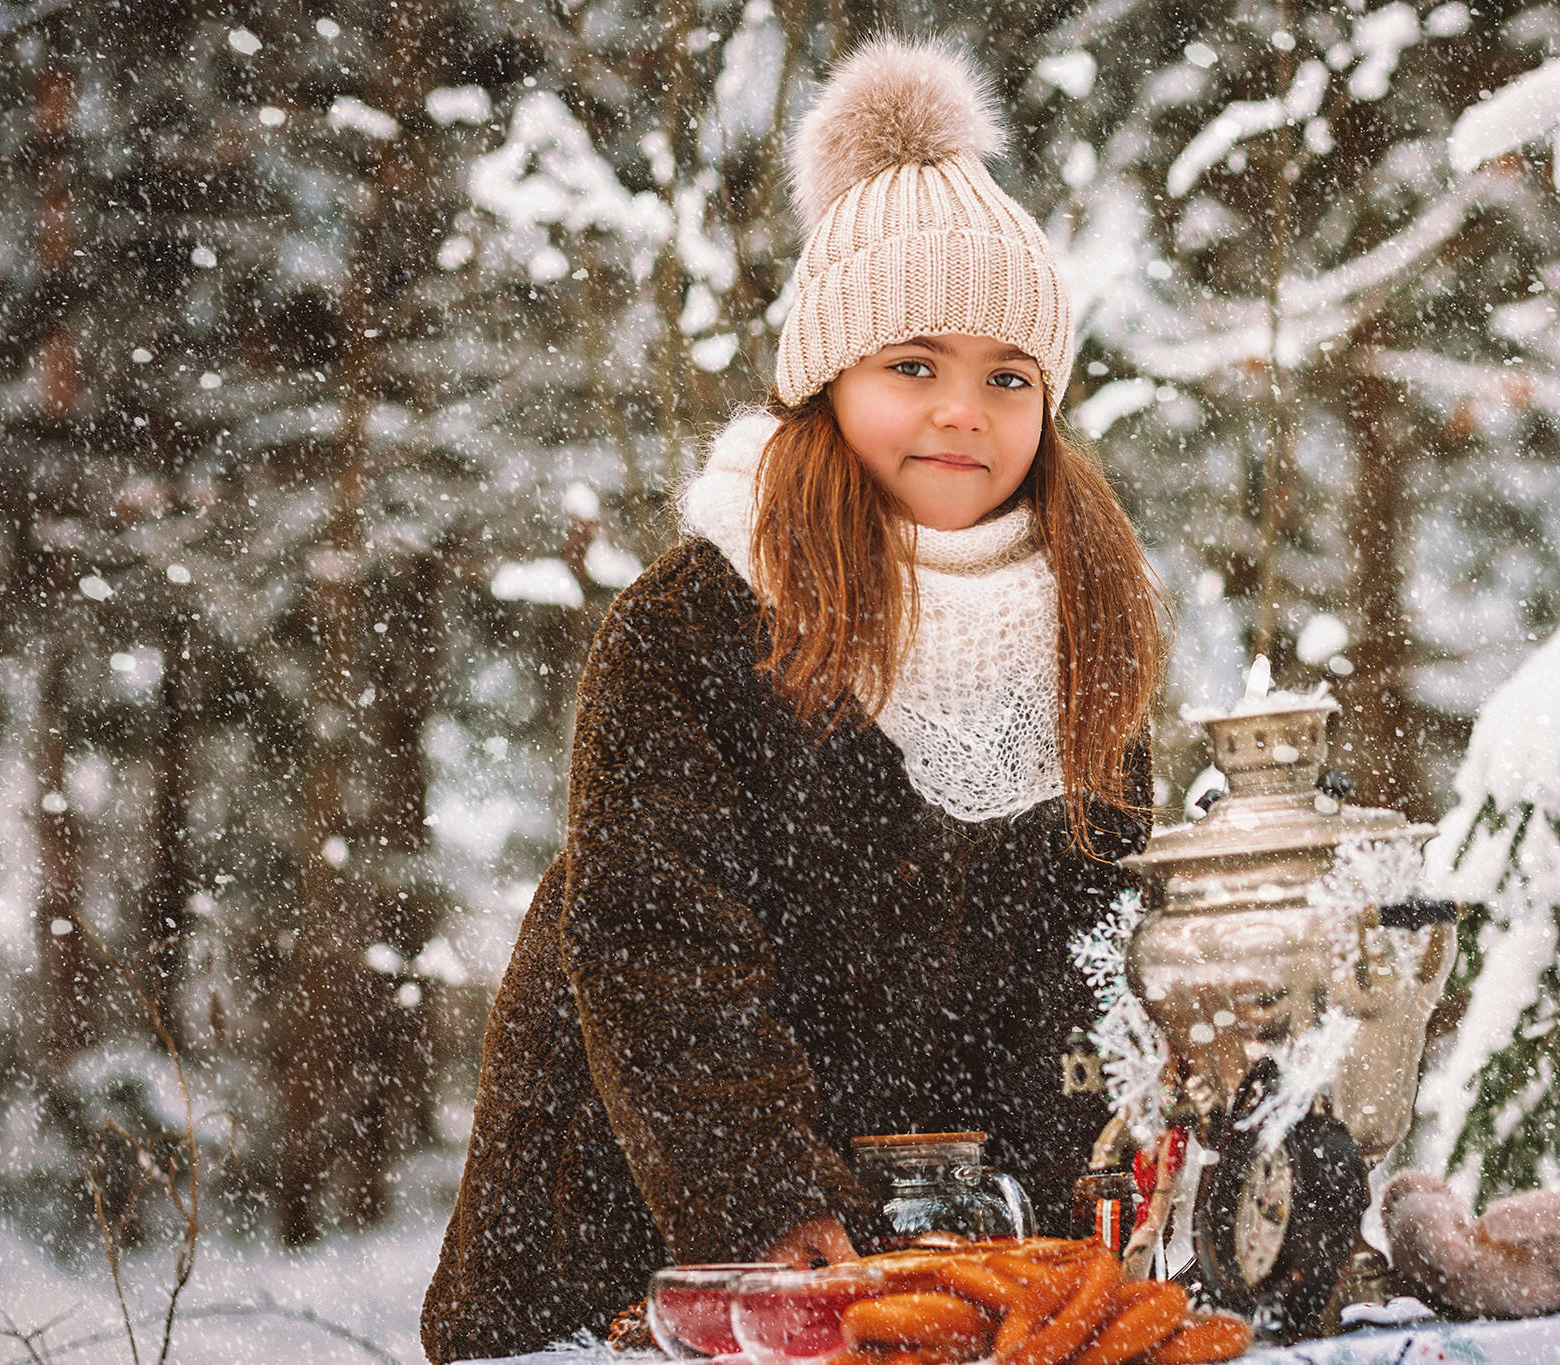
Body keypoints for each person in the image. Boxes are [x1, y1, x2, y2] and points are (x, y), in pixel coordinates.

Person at [420, 37, 1166, 1363]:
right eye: (912, 365)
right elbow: (657, 936)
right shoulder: (701, 620)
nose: (964, 414)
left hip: (937, 1256)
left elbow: (1089, 960)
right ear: (827, 382)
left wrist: (1077, 1231)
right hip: (642, 1234)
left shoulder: (1081, 625)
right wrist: (760, 1195)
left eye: (1010, 375)